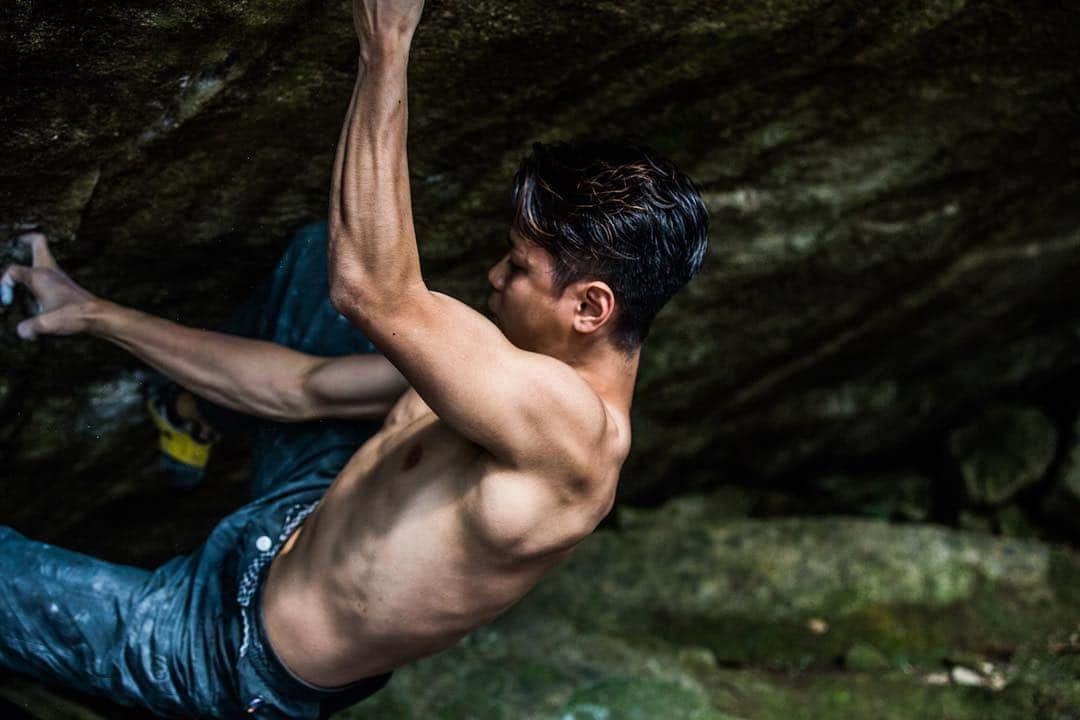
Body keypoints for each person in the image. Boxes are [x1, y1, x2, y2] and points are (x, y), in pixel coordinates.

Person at [0, 0, 709, 717]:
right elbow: (305, 389)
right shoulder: (509, 372)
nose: (495, 276)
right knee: (320, 253)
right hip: (296, 514)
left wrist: (386, 46)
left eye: (519, 267)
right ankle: (192, 413)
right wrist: (91, 311)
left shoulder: (575, 440)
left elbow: (370, 287)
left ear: (590, 308)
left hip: (228, 650)